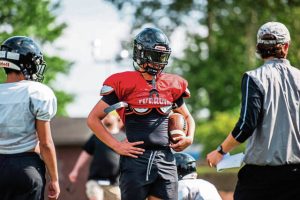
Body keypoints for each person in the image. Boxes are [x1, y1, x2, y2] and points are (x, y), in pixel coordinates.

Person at [87, 27, 195, 200]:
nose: (159, 62)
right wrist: (117, 146)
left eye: (162, 57)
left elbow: (188, 117)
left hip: (165, 159)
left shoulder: (172, 84)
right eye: (155, 56)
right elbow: (93, 119)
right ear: (141, 54)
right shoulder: (123, 83)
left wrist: (189, 137)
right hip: (136, 159)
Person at [206, 21, 300, 200]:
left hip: (260, 179)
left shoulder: (254, 78)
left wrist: (220, 151)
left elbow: (246, 125)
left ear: (259, 47)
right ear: (286, 46)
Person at [0, 36, 60, 199]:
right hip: (25, 168)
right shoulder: (37, 92)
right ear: (25, 63)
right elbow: (45, 143)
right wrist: (54, 178)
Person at [68, 112, 126, 200]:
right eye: (104, 116)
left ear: (117, 118)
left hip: (115, 183)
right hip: (95, 181)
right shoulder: (97, 136)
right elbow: (85, 154)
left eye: (109, 115)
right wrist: (75, 170)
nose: (105, 118)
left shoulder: (124, 138)